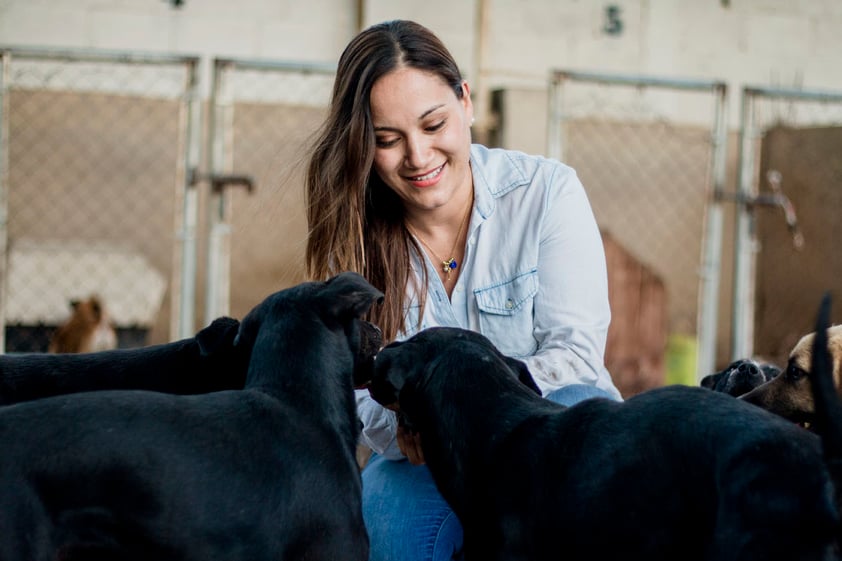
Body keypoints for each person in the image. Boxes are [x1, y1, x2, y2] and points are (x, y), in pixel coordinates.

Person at [305, 19, 622, 561]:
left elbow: (574, 352)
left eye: (433, 124)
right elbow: (353, 391)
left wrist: (465, 409)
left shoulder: (547, 194)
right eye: (387, 140)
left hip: (555, 418)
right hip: (424, 452)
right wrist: (409, 420)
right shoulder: (353, 240)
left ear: (466, 102)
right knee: (393, 530)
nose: (419, 156)